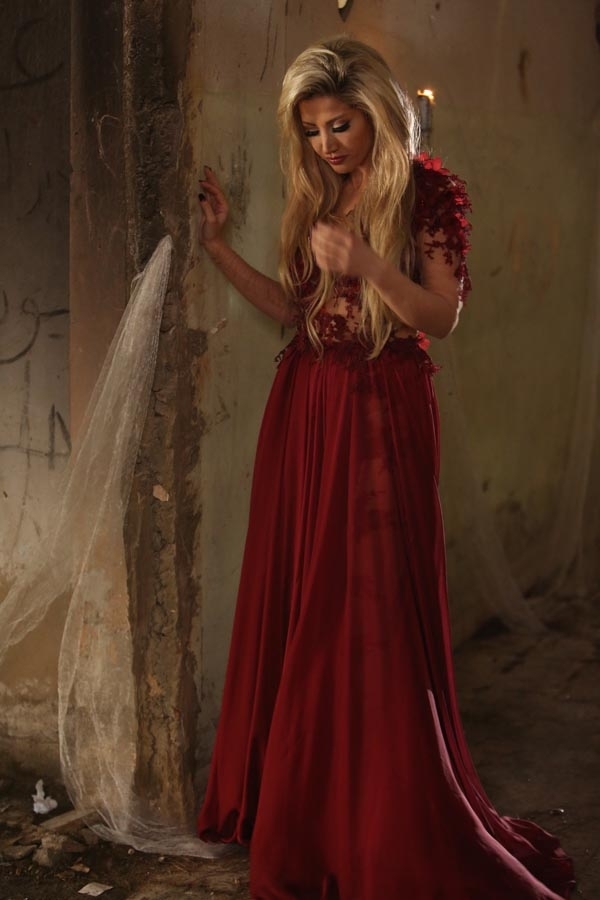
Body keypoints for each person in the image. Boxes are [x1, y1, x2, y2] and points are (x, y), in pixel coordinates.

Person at [195, 36, 574, 900]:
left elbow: (441, 317)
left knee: (365, 609)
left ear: (374, 114)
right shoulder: (319, 193)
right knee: (302, 600)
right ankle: (307, 808)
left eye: (341, 125)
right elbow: (296, 312)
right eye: (313, 130)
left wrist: (367, 264)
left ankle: (375, 817)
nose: (327, 144)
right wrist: (218, 247)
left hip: (380, 413)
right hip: (306, 409)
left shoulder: (427, 192)